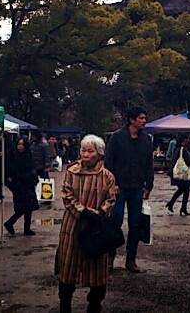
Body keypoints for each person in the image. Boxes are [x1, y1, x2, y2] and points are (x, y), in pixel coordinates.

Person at [56, 134, 116, 313]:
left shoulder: (107, 176)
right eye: (83, 150)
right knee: (67, 268)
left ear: (99, 153)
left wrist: (99, 214)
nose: (86, 154)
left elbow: (111, 199)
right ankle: (65, 303)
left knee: (97, 270)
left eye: (90, 151)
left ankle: (95, 304)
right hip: (72, 226)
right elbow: (67, 195)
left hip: (96, 229)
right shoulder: (71, 172)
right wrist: (82, 212)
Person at [104, 106, 154, 273]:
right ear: (132, 120)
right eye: (141, 118)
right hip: (120, 187)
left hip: (137, 188)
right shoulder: (117, 138)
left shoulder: (146, 139)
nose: (144, 121)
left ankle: (130, 259)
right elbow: (109, 162)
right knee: (115, 221)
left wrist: (148, 185)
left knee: (136, 224)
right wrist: (113, 183)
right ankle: (110, 257)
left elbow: (149, 164)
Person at [4, 137, 40, 236]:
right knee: (22, 207)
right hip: (19, 184)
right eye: (19, 144)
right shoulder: (13, 156)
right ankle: (10, 222)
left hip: (29, 184)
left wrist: (33, 177)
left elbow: (32, 167)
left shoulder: (28, 155)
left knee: (29, 207)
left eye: (22, 144)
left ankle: (26, 228)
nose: (20, 146)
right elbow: (12, 171)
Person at [166, 134, 190, 216]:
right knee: (185, 190)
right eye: (187, 139)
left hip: (176, 173)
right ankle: (182, 207)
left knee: (182, 190)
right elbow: (189, 161)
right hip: (182, 174)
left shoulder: (176, 149)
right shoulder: (183, 149)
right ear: (184, 140)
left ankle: (172, 204)